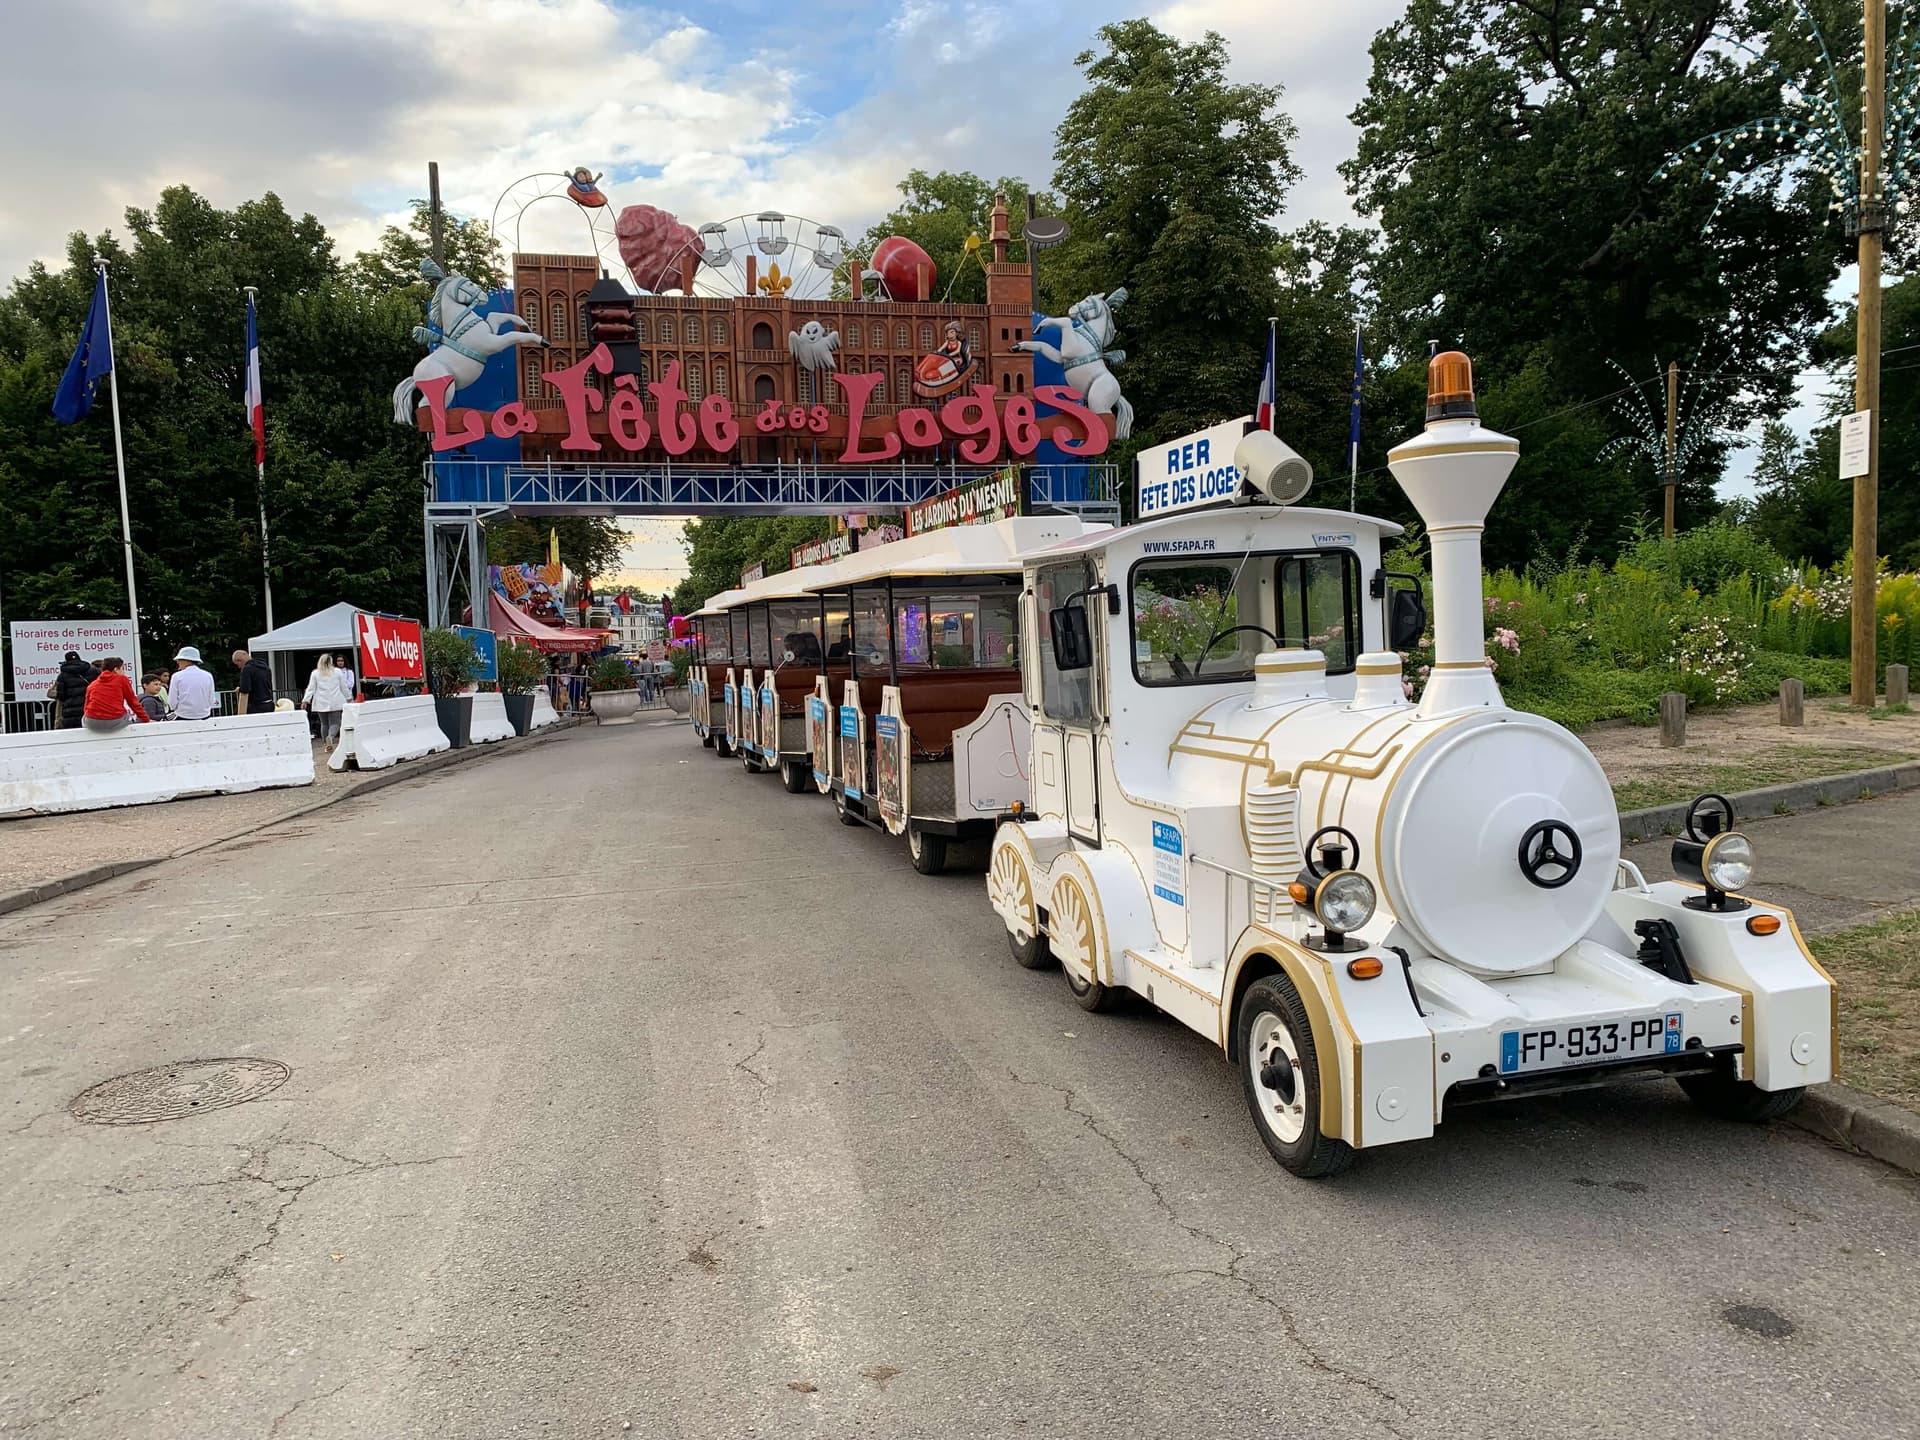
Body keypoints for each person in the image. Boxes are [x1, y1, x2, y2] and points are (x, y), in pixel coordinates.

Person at [80, 657, 151, 734]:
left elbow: (86, 707)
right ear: (116, 669)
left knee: (84, 717)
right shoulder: (122, 679)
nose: (124, 672)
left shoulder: (92, 685)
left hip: (92, 722)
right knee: (127, 715)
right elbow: (133, 702)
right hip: (114, 721)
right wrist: (146, 719)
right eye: (122, 669)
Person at [301, 653, 351, 742]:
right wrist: (349, 698)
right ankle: (330, 737)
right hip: (335, 701)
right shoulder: (337, 672)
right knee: (336, 722)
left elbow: (311, 688)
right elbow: (343, 687)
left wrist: (305, 700)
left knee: (324, 724)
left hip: (321, 702)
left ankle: (325, 742)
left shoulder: (315, 673)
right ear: (331, 662)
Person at [49, 651, 97, 728]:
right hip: (89, 709)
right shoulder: (93, 671)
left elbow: (61, 695)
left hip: (70, 713)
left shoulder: (62, 676)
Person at [169, 646, 216, 721]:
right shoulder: (208, 675)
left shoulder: (176, 676)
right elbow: (211, 700)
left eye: (179, 659)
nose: (177, 662)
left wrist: (175, 709)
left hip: (183, 715)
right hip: (204, 715)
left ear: (187, 660)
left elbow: (172, 702)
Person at [233, 648, 274, 715]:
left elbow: (245, 690)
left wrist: (240, 689)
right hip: (269, 704)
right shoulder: (265, 666)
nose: (239, 667)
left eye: (237, 664)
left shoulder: (247, 669)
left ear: (240, 660)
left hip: (256, 707)